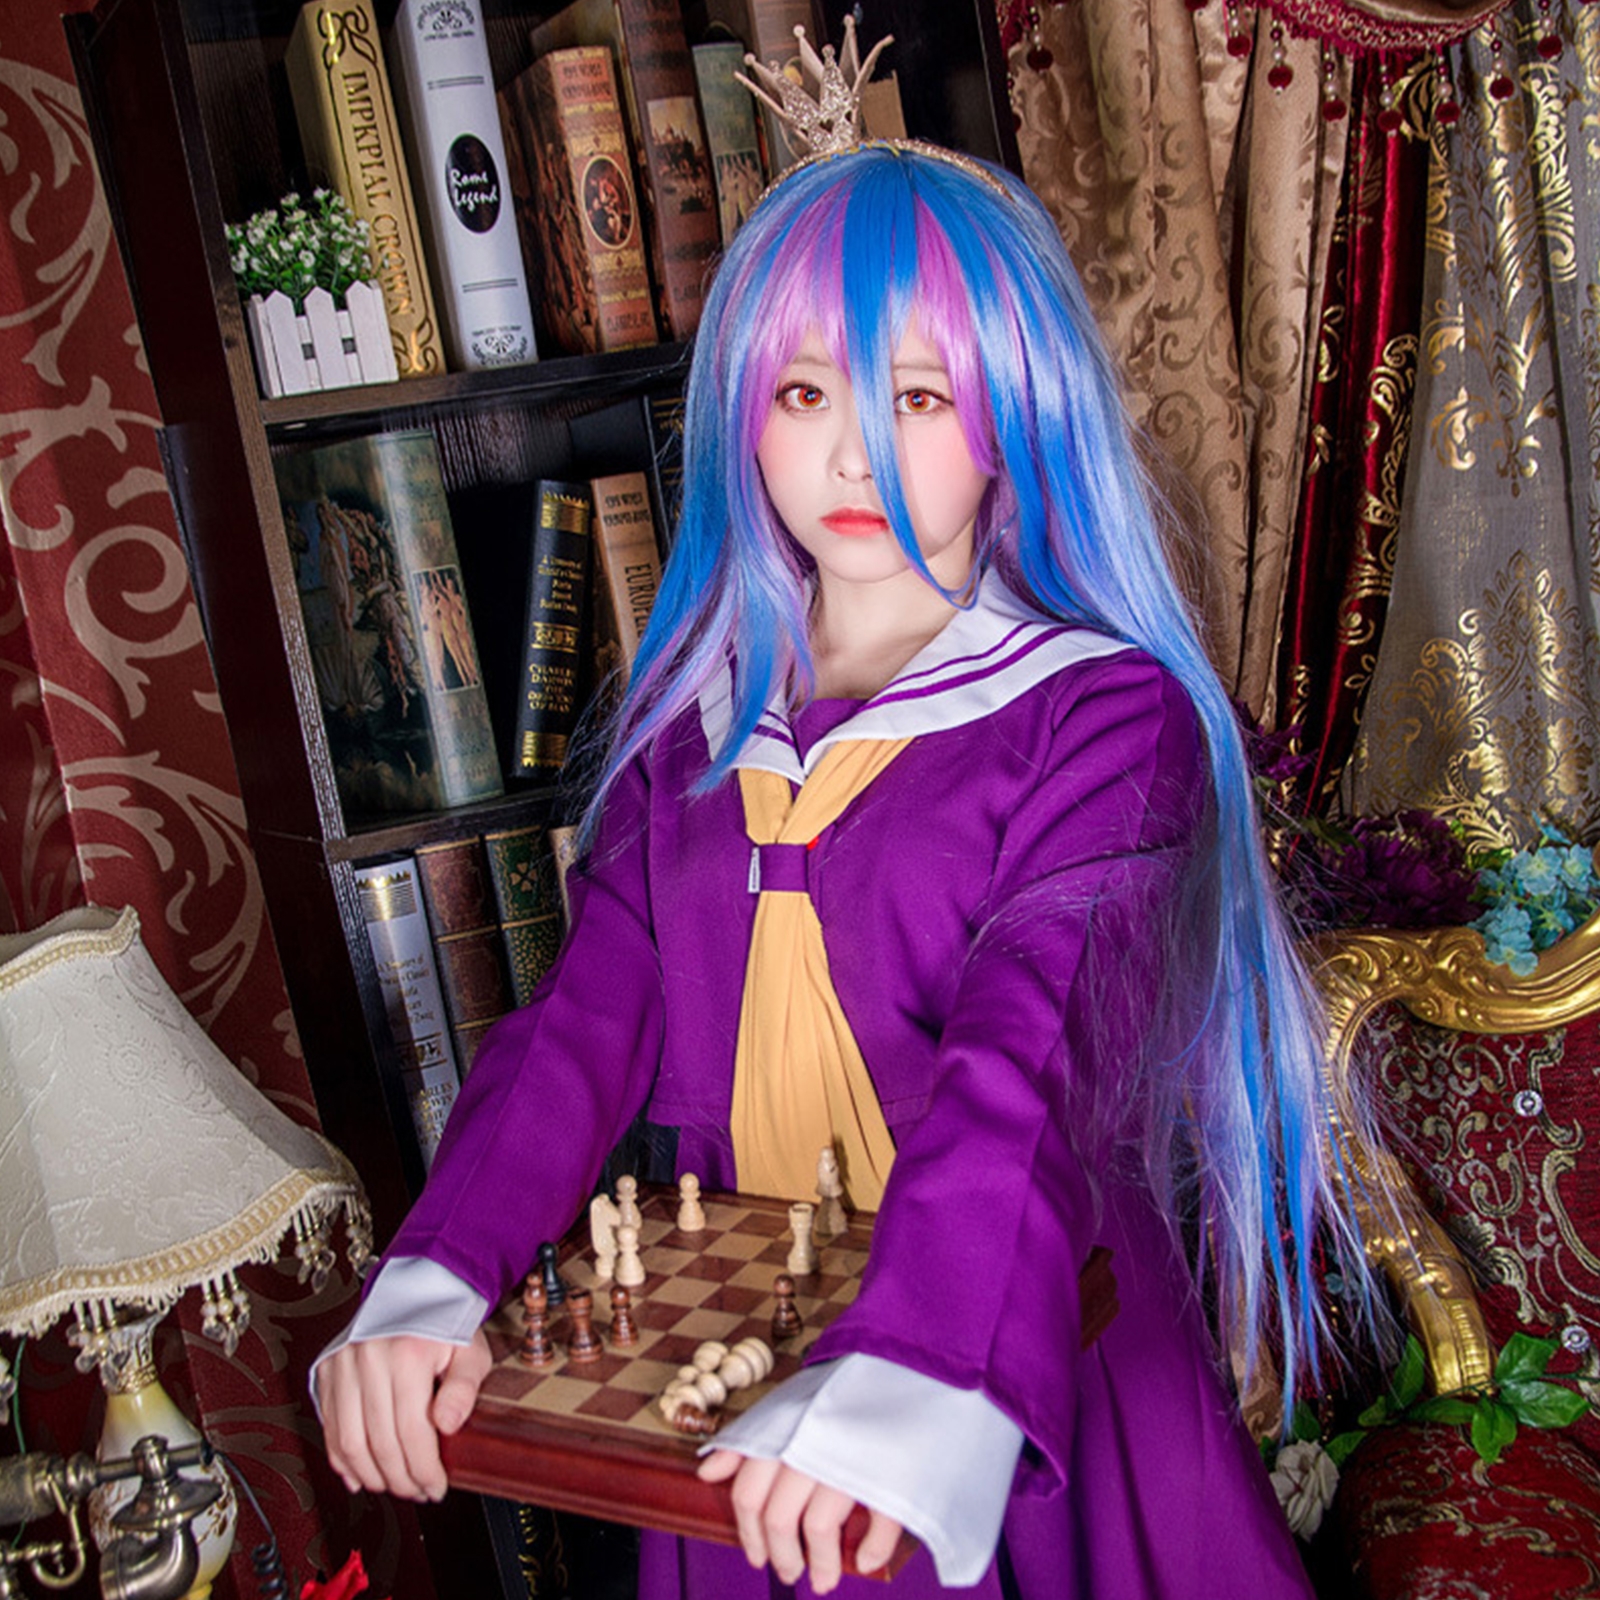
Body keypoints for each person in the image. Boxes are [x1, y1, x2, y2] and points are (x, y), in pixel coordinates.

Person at [314, 42, 1393, 1598]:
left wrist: (920, 1367)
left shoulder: (1100, 717)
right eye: (803, 390)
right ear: (742, 413)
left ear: (1017, 413)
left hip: (1012, 1369)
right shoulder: (694, 729)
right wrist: (437, 1270)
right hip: (748, 1375)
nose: (852, 452)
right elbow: (579, 1029)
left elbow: (1029, 1054)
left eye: (922, 395)